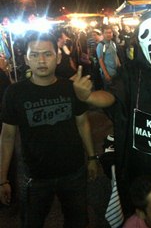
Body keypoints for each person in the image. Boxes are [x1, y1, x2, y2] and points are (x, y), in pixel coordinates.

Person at [73, 11, 151, 215]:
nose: (150, 38)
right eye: (145, 33)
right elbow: (113, 96)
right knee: (147, 209)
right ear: (138, 39)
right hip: (142, 159)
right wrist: (87, 97)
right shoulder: (130, 71)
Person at [0, 31, 98, 227]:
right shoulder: (15, 93)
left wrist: (92, 158)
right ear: (26, 59)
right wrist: (2, 178)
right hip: (36, 176)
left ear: (58, 57)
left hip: (73, 172)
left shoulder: (71, 88)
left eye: (47, 54)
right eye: (34, 55)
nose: (41, 60)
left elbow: (82, 123)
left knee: (77, 221)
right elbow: (7, 136)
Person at [96, 26, 121, 90]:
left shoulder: (113, 43)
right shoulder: (101, 45)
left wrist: (119, 64)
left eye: (110, 32)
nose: (108, 34)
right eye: (106, 33)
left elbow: (115, 55)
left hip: (115, 72)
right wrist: (106, 74)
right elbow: (100, 60)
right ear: (103, 34)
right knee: (109, 93)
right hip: (108, 73)